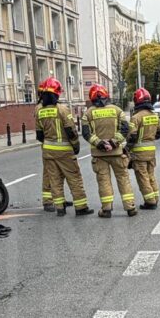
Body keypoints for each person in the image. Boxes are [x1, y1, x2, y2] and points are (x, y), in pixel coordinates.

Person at [35, 78, 92, 217]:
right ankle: (81, 207)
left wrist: (49, 144)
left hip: (48, 150)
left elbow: (39, 134)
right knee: (74, 178)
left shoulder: (38, 110)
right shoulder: (62, 109)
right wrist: (76, 146)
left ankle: (60, 208)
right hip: (65, 151)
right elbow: (71, 130)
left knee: (54, 179)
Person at [82, 84, 136, 218]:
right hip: (117, 153)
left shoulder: (88, 113)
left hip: (99, 155)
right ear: (106, 95)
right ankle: (130, 207)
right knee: (123, 179)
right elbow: (124, 129)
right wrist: (113, 142)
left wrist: (100, 143)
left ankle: (106, 209)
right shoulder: (117, 110)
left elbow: (86, 133)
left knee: (103, 181)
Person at [126, 88, 160, 210]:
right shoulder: (155, 116)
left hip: (139, 154)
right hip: (151, 152)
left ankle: (150, 201)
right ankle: (155, 198)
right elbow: (159, 134)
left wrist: (126, 149)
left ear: (137, 101)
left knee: (143, 177)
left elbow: (132, 136)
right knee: (151, 175)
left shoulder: (136, 117)